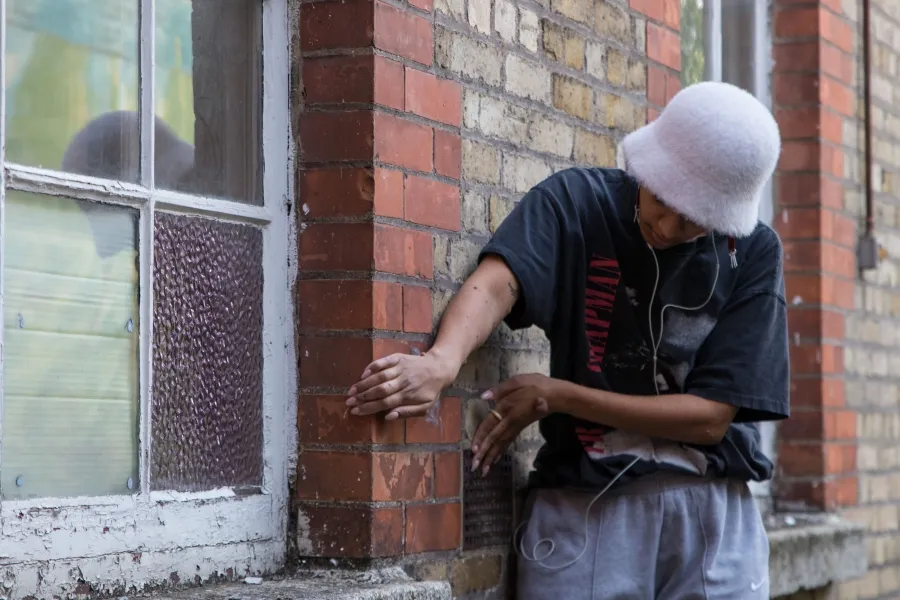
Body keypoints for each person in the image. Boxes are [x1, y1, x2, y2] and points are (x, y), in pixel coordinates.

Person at [345, 81, 788, 599]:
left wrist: (560, 396)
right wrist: (442, 361)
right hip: (588, 502)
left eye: (694, 222)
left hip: (712, 515)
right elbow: (498, 282)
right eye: (663, 199)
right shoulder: (578, 201)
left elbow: (711, 418)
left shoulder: (754, 251)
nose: (668, 225)